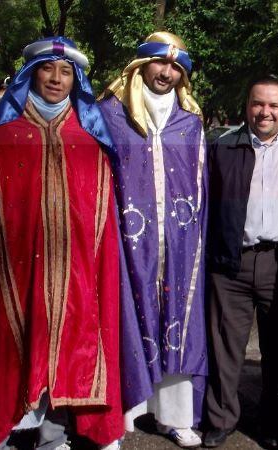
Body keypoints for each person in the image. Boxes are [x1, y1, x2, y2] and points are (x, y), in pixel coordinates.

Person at [0, 36, 123, 450]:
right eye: (47, 69)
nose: (56, 79)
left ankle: (54, 437)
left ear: (77, 80)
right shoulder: (3, 136)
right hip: (12, 271)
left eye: (66, 72)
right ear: (29, 74)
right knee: (8, 347)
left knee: (69, 347)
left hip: (74, 274)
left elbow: (101, 221)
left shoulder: (91, 138)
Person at [98, 31, 206, 449]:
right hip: (128, 241)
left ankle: (176, 416)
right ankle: (121, 415)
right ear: (140, 65)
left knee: (180, 321)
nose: (167, 72)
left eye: (177, 67)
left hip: (179, 243)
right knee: (127, 315)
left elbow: (202, 187)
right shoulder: (110, 115)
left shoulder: (189, 121)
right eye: (161, 63)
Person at [203, 75, 278, 448]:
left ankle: (274, 420)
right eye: (259, 103)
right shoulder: (222, 147)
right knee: (225, 347)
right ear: (247, 105)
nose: (266, 112)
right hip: (231, 262)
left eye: (274, 105)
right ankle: (221, 419)